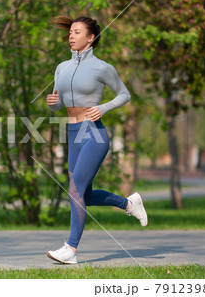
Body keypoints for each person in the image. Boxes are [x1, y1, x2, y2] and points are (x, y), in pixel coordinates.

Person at [45, 16, 148, 264]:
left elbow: (124, 94)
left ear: (90, 38)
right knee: (82, 194)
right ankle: (128, 204)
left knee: (74, 189)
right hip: (73, 133)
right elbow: (59, 106)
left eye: (77, 32)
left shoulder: (102, 67)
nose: (71, 36)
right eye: (70, 32)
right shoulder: (61, 67)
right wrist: (53, 103)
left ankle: (70, 249)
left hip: (93, 132)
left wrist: (103, 107)